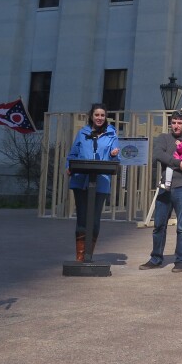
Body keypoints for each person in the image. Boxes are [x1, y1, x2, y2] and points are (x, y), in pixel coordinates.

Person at [140, 110, 182, 273]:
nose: (176, 125)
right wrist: (179, 163)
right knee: (159, 225)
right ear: (170, 124)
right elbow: (158, 154)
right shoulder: (164, 138)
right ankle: (156, 258)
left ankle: (181, 261)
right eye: (173, 122)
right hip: (166, 186)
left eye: (179, 122)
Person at [66, 103, 120, 262]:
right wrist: (69, 167)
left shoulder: (112, 135)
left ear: (106, 117)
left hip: (101, 182)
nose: (99, 118)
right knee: (82, 217)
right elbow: (73, 154)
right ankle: (80, 256)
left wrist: (113, 154)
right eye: (97, 115)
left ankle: (89, 254)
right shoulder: (82, 133)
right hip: (81, 180)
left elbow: (116, 158)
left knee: (94, 219)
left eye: (102, 115)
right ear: (91, 116)